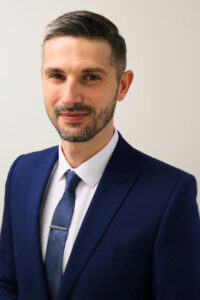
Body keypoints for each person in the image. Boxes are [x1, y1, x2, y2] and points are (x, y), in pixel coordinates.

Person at [0, 10, 200, 300]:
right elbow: (7, 282)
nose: (69, 97)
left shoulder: (170, 194)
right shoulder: (22, 172)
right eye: (56, 75)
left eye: (91, 77)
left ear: (123, 85)